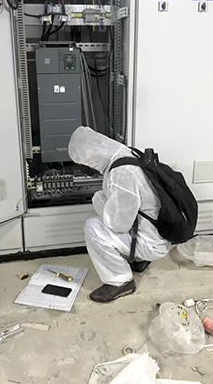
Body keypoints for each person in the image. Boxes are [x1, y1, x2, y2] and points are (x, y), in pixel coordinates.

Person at [68, 126, 170, 303]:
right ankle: (139, 259)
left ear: (91, 154)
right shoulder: (128, 154)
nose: (88, 166)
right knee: (110, 210)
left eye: (85, 162)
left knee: (93, 226)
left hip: (152, 243)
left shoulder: (122, 173)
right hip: (158, 231)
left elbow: (118, 224)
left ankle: (120, 281)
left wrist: (98, 200)